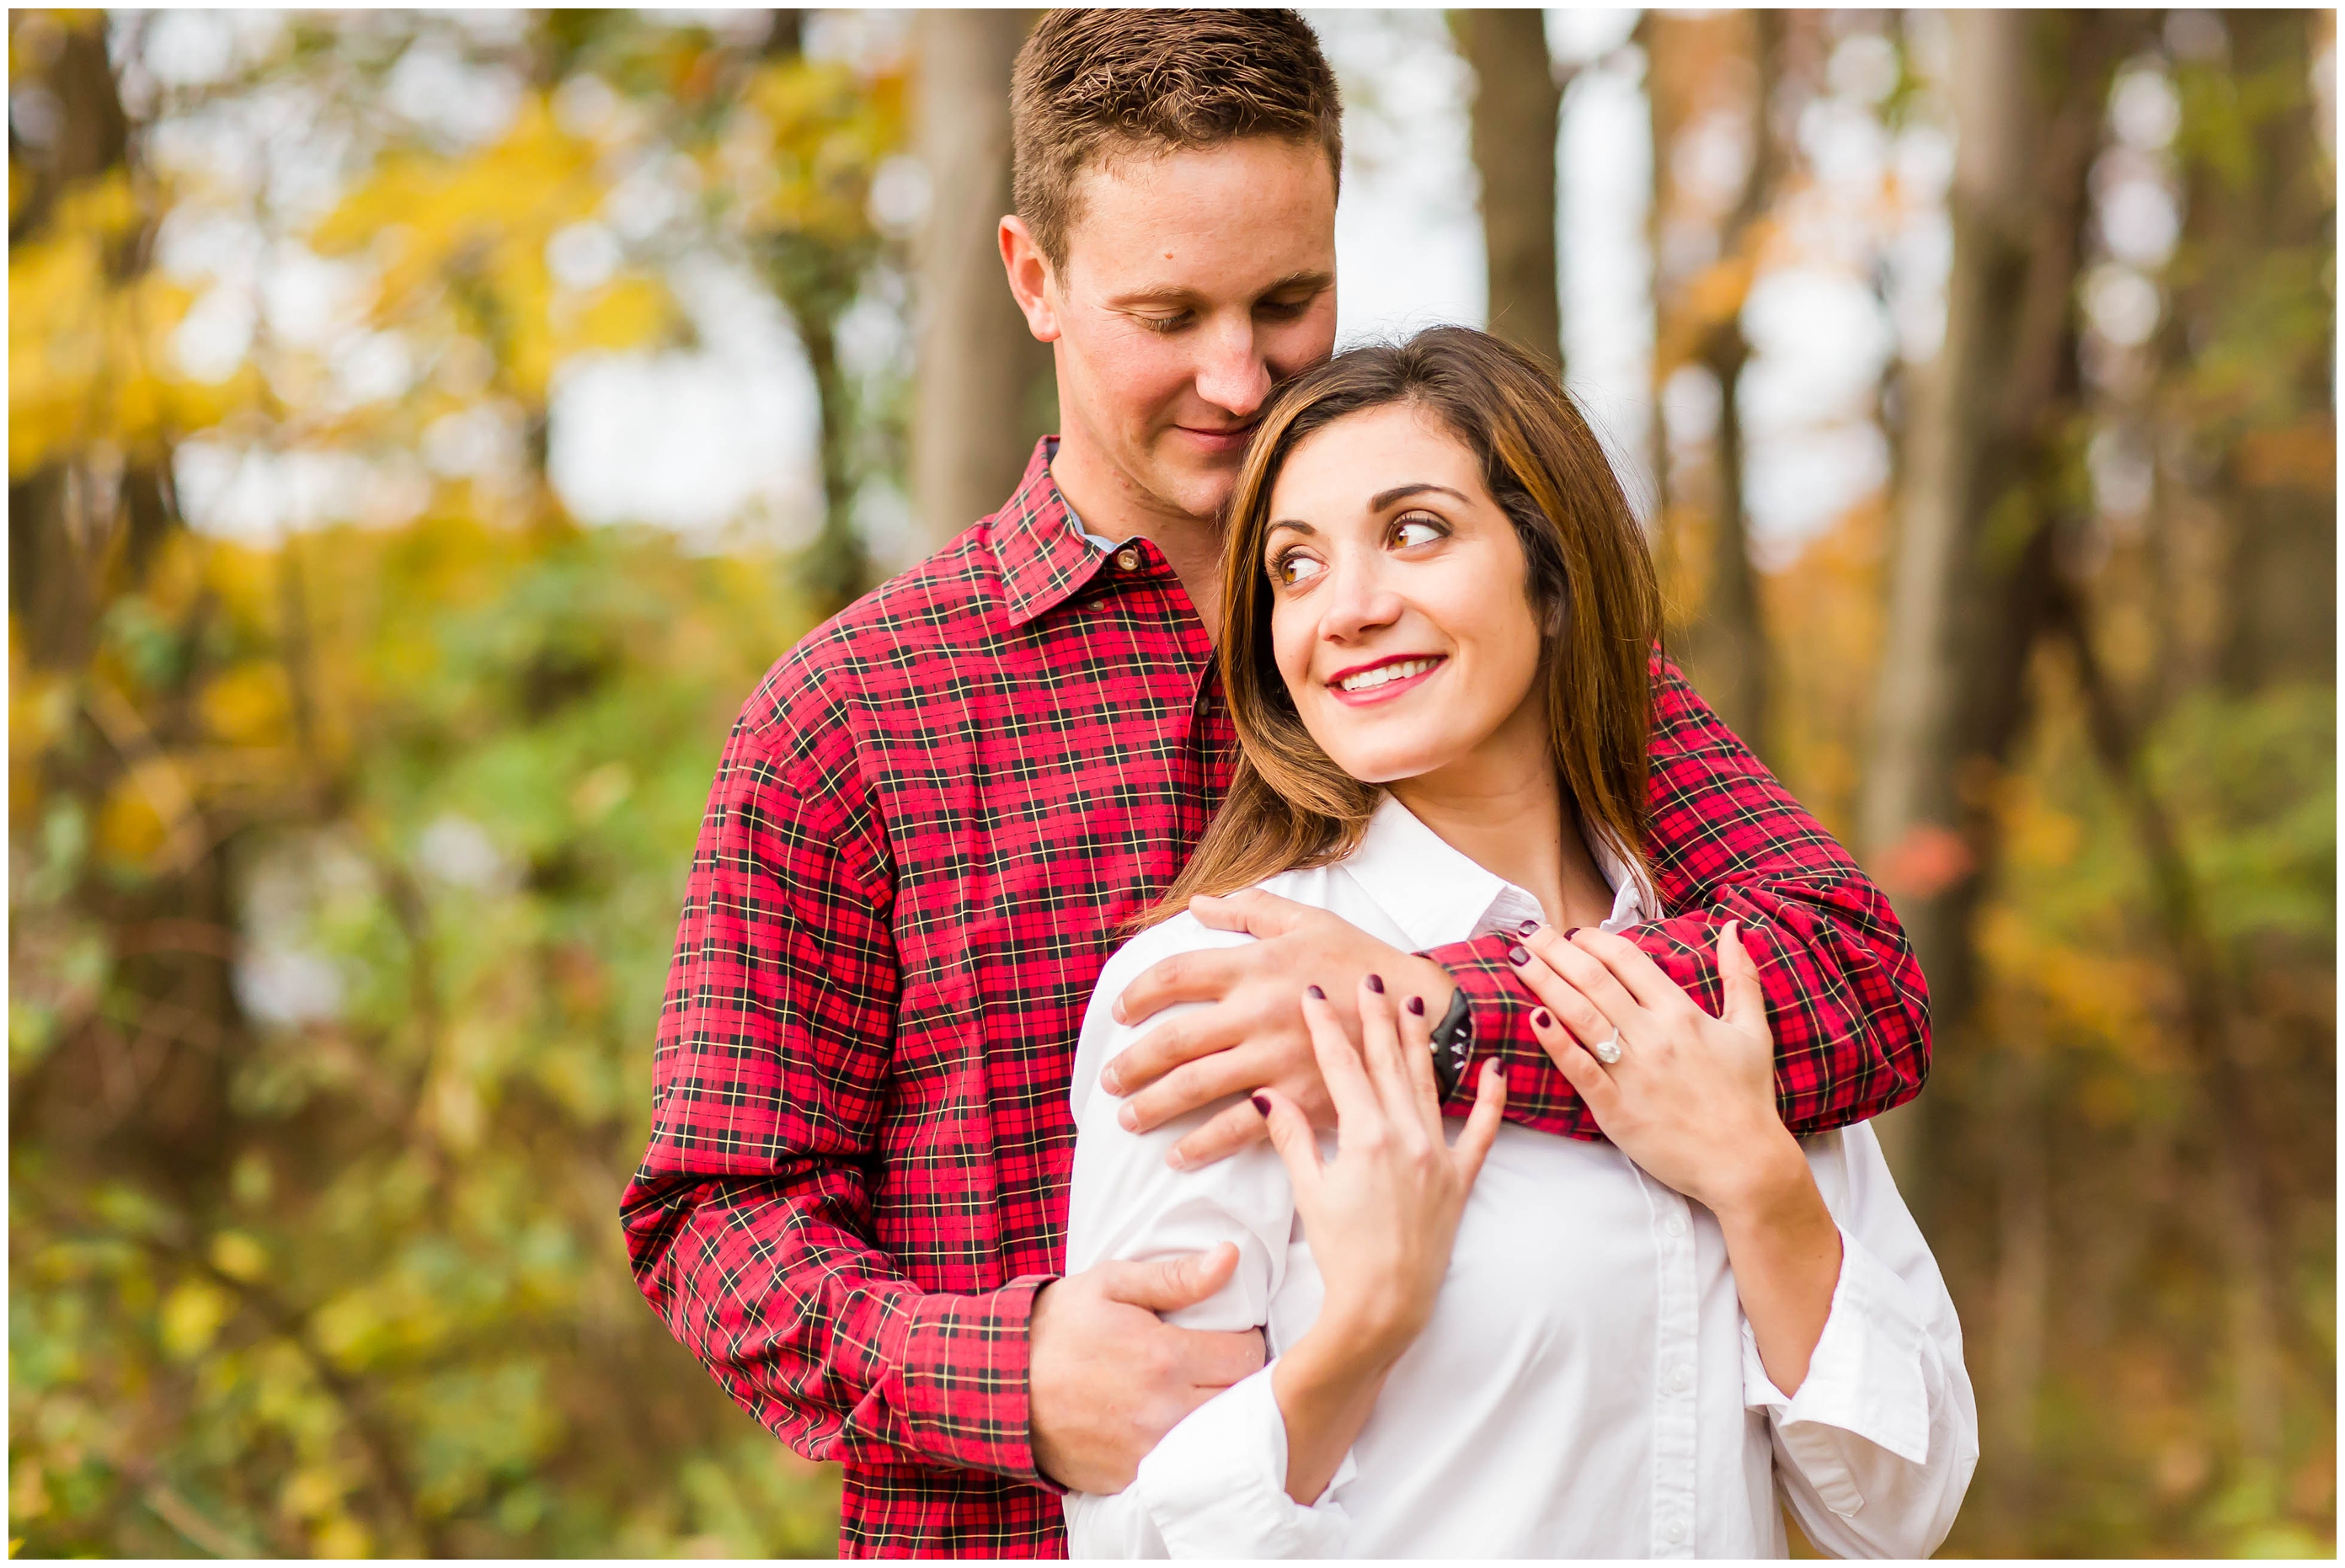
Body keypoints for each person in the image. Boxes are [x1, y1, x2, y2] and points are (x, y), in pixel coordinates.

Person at [621, 11, 1931, 1557]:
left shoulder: (1491, 652)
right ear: (1033, 279)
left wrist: (1433, 1010)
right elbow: (713, 1215)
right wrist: (1006, 1375)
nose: (1238, 378)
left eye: (1289, 300)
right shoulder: (854, 719)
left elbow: (1850, 976)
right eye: (1167, 313)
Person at [1064, 328, 1975, 1558]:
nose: (1352, 608)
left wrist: (1759, 1185)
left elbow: (1898, 1511)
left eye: (1417, 531)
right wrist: (1361, 1331)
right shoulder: (1223, 990)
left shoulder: (1722, 986)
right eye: (1296, 565)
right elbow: (1137, 1540)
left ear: (1552, 580)